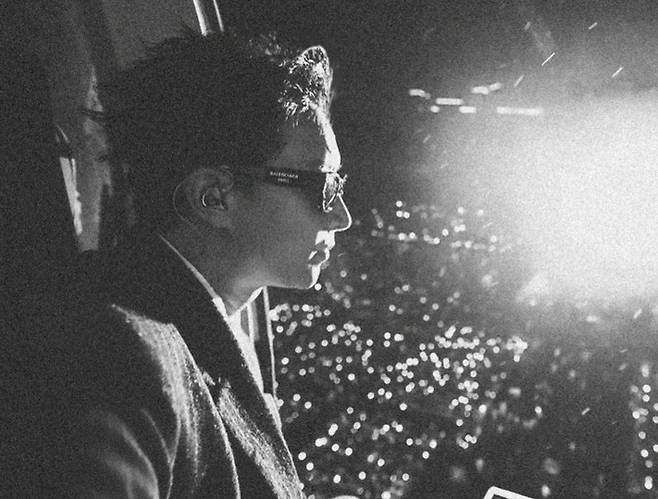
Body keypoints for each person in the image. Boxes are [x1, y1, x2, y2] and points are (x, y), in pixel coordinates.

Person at [1, 29, 351, 497]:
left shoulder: (200, 333)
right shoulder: (122, 354)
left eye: (337, 185)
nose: (341, 216)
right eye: (322, 185)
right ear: (214, 197)